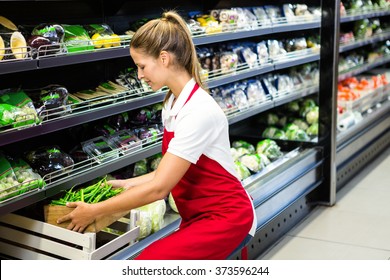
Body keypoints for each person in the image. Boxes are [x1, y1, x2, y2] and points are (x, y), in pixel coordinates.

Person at [57, 10, 256, 260]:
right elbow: (169, 171)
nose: (139, 75)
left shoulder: (199, 110)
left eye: (141, 66)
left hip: (227, 217)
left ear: (164, 58)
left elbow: (160, 188)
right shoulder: (172, 102)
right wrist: (129, 184)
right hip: (199, 216)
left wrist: (96, 210)